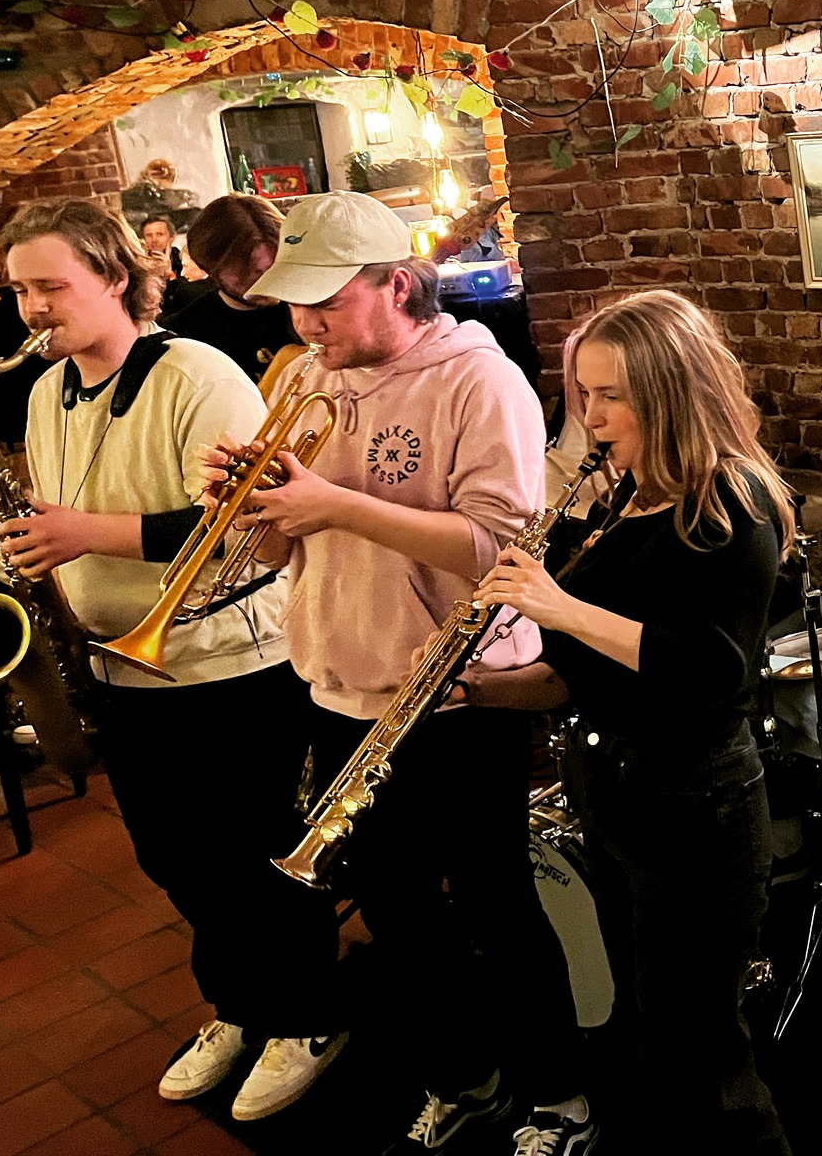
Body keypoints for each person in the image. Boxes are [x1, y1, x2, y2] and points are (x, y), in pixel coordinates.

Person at [220, 190, 595, 1154]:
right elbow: (273, 554)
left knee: (497, 907)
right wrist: (248, 510)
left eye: (327, 302)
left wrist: (331, 503)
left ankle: (560, 1095)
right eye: (292, 303)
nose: (304, 325)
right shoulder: (302, 374)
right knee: (399, 917)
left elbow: (503, 545)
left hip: (460, 691)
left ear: (395, 284)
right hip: (342, 679)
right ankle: (463, 1074)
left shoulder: (482, 380)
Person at [0, 199, 344, 1120]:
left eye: (51, 287)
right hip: (125, 665)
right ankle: (240, 1005)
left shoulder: (197, 372)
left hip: (230, 664)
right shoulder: (45, 391)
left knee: (256, 853)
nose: (32, 307)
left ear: (116, 276)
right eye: (21, 289)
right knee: (174, 856)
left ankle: (306, 1014)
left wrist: (82, 534)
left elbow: (246, 519)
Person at [472, 291, 794, 1155]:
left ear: (669, 390)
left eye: (611, 395)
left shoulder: (730, 505)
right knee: (655, 1033)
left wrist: (558, 606)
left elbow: (707, 669)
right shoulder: (624, 499)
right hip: (617, 794)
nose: (590, 415)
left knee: (703, 1058)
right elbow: (585, 676)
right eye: (582, 392)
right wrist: (473, 691)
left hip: (697, 808)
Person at [161, 194, 302, 385]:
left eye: (277, 265)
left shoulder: (310, 305)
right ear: (209, 268)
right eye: (249, 271)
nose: (269, 281)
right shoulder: (185, 335)